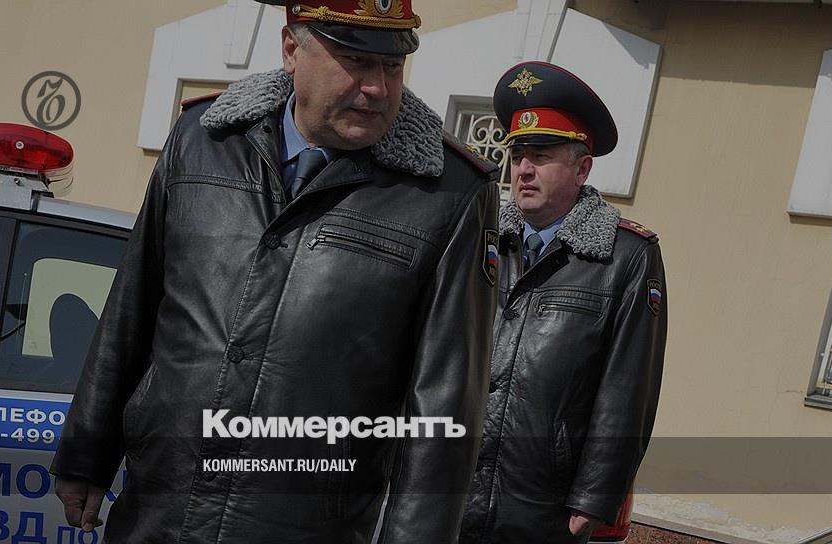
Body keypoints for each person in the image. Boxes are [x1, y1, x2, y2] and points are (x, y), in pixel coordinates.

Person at [50, 1, 500, 542]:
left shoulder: (449, 194)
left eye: (392, 66)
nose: (377, 87)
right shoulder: (202, 139)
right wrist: (87, 453)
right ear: (291, 49)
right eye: (357, 61)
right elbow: (133, 302)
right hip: (159, 508)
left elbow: (445, 406)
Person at [459, 61, 667, 544]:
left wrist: (595, 497)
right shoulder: (479, 238)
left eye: (541, 155)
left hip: (542, 505)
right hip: (452, 488)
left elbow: (628, 388)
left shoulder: (626, 256)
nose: (523, 170)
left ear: (582, 167)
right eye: (517, 156)